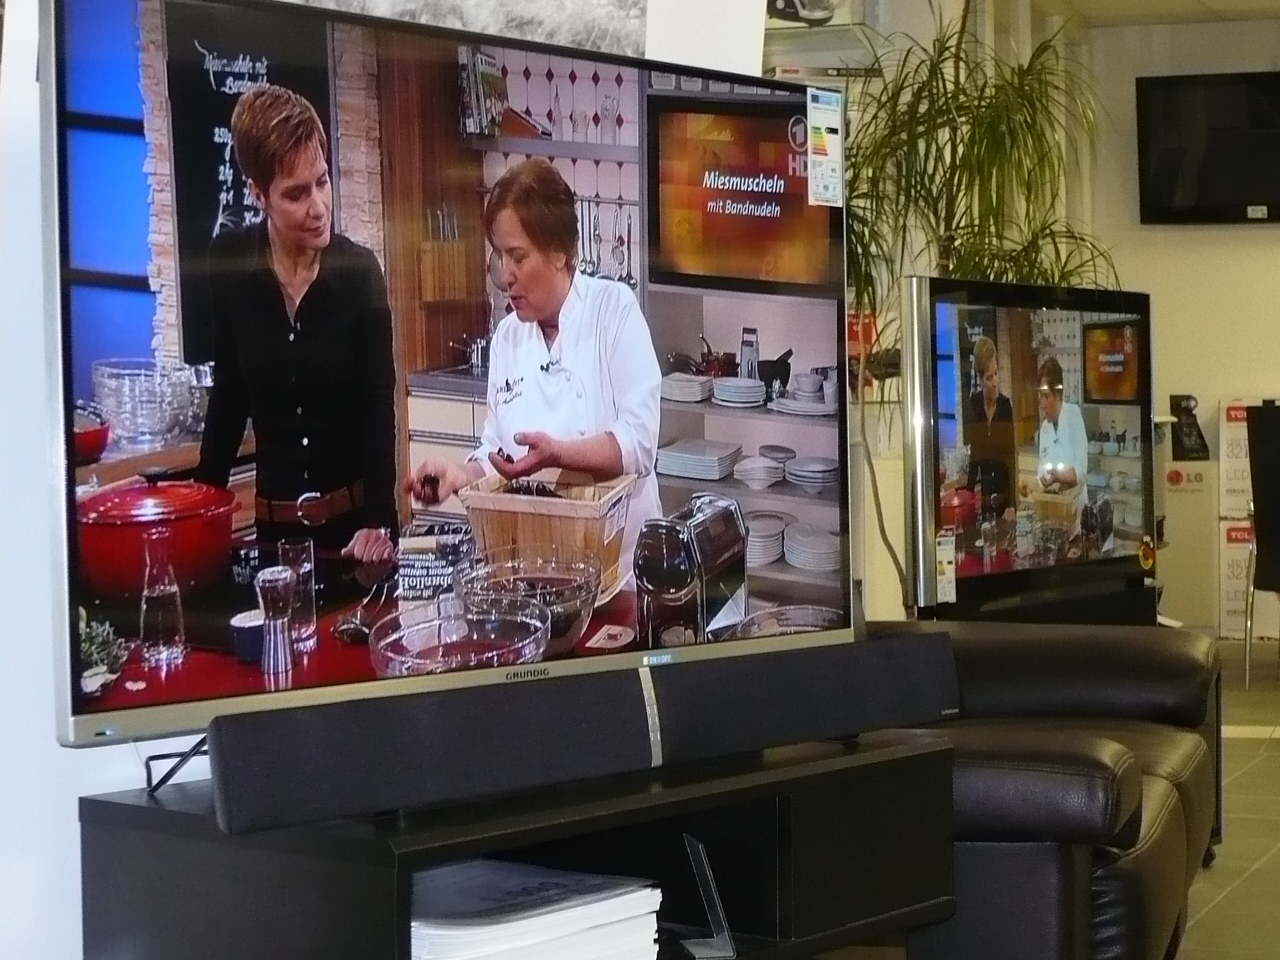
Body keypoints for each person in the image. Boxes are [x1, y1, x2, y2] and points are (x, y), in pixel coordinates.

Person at [408, 159, 662, 585]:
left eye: (518, 256)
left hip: (621, 576)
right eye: (499, 255)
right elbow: (498, 452)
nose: (505, 275)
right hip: (534, 572)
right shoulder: (508, 338)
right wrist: (460, 475)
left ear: (559, 251)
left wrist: (558, 453)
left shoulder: (613, 311)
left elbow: (638, 444)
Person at [194, 84, 397, 563]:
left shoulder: (360, 272)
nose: (318, 206)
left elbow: (377, 407)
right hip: (273, 538)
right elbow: (228, 398)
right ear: (259, 194)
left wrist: (379, 523)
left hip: (354, 537)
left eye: (322, 182)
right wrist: (200, 510)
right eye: (296, 194)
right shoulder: (229, 264)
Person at [1034, 355, 1089, 533]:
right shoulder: (1044, 429)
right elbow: (1042, 473)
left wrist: (1057, 476)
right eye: (1040, 396)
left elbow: (1081, 473)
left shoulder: (1073, 416)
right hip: (1054, 518)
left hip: (1077, 516)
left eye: (1046, 396)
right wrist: (1040, 481)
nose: (1042, 404)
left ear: (1058, 395)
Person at [964, 336, 1016, 521]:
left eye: (996, 373)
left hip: (1004, 501)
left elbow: (1010, 459)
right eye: (989, 377)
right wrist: (968, 497)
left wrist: (1012, 505)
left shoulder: (1005, 406)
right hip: (984, 502)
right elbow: (975, 457)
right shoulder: (974, 405)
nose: (995, 382)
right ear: (980, 379)